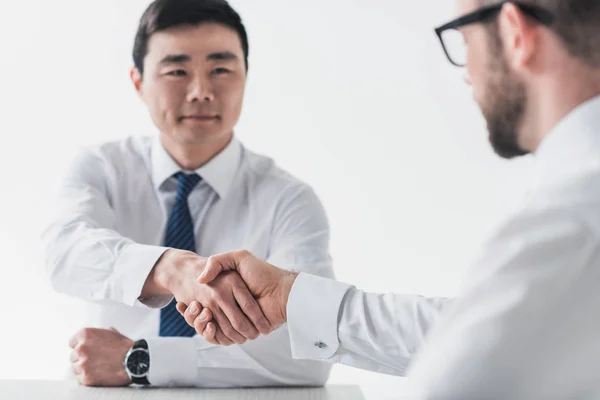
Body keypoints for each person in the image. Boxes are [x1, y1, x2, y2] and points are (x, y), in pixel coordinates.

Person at [180, 0, 600, 398]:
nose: (467, 73)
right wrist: (290, 297)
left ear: (514, 33)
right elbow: (486, 335)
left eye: (464, 38)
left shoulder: (572, 221)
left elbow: (457, 378)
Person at [41, 0, 336, 388]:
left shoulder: (289, 200)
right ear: (138, 82)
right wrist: (167, 268)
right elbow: (64, 253)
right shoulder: (101, 168)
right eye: (177, 71)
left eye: (221, 69)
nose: (200, 91)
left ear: (246, 76)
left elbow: (313, 344)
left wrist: (140, 359)